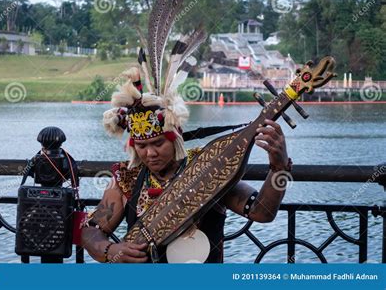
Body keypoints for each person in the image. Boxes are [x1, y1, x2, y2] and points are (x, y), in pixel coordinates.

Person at [80, 67, 291, 263]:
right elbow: (90, 230)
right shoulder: (127, 177)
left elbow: (262, 212)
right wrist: (110, 250)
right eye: (142, 146)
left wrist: (278, 169)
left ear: (176, 138)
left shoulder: (208, 168)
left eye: (158, 143)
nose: (150, 153)